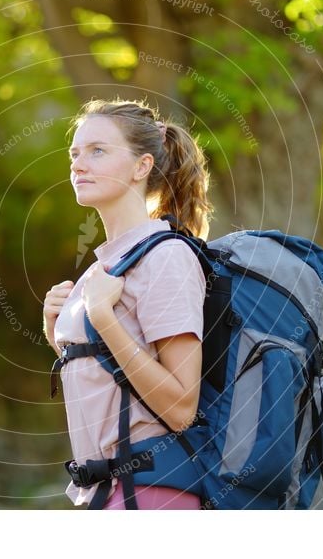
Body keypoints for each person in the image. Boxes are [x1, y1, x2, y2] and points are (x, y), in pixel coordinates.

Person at [42, 98, 213, 509]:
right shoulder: (101, 268)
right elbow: (109, 378)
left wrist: (102, 317)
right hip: (105, 495)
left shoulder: (166, 257)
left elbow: (179, 407)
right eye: (75, 154)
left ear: (142, 167)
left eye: (97, 151)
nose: (78, 165)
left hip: (153, 495)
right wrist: (58, 336)